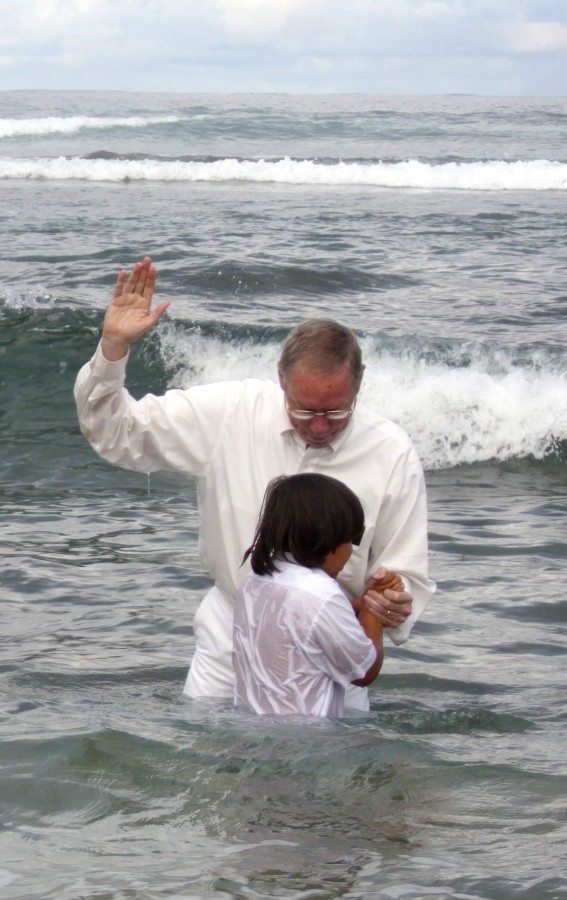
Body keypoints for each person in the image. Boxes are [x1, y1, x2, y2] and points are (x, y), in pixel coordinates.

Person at [74, 256, 435, 711]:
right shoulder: (230, 411)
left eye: (336, 412)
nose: (319, 427)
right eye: (304, 410)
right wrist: (111, 350)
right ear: (280, 379)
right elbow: (116, 432)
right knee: (203, 764)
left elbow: (406, 574)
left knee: (337, 776)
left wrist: (393, 601)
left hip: (332, 645)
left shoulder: (391, 451)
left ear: (359, 386)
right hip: (231, 632)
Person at [234, 473, 395, 717]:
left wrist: (356, 605)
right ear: (328, 538)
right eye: (352, 540)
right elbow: (364, 671)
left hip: (251, 724)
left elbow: (301, 624)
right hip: (308, 738)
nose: (351, 551)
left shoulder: (256, 580)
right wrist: (373, 607)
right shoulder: (322, 594)